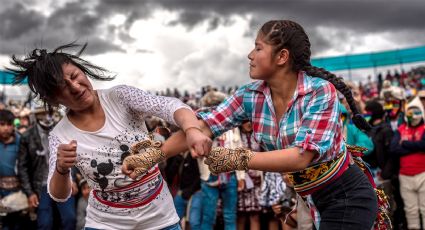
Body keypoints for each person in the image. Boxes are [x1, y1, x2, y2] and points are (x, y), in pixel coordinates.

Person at [122, 20, 382, 230]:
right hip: (308, 196)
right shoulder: (250, 95)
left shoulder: (319, 92)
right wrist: (154, 155)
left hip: (346, 195)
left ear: (282, 56)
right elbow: (202, 127)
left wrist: (238, 159)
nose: (250, 54)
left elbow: (302, 156)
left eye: (258, 48)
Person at [8, 42, 212, 230]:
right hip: (106, 224)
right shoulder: (60, 135)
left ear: (83, 70)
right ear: (53, 99)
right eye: (63, 87)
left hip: (161, 219)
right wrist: (62, 169)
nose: (76, 87)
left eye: (74, 76)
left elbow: (171, 106)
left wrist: (192, 130)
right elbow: (59, 195)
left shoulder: (120, 97)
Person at [18, 106, 77, 230]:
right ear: (36, 115)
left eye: (49, 112)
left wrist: (73, 180)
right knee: (44, 223)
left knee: (69, 219)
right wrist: (30, 193)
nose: (46, 116)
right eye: (42, 113)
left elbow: (74, 157)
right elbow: (22, 167)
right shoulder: (27, 136)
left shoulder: (63, 131)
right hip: (41, 185)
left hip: (63, 180)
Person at [390, 97, 425, 230]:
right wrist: (416, 147)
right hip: (405, 176)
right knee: (411, 211)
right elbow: (393, 149)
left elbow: (424, 145)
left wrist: (404, 143)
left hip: (423, 174)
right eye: (410, 112)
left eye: (416, 112)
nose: (413, 115)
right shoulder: (400, 129)